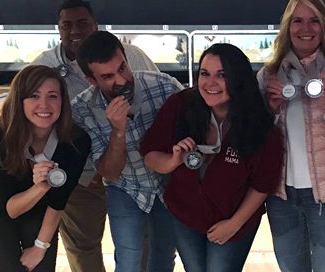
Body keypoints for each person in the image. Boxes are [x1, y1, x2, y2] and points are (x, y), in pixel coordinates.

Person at [30, 1, 159, 271]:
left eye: (82, 23)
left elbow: (159, 105)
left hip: (133, 174)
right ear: (59, 30)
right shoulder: (45, 66)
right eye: (67, 25)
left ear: (95, 24)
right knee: (82, 245)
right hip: (78, 176)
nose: (75, 30)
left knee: (141, 245)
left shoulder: (132, 56)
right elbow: (27, 119)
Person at [140, 43, 284, 272]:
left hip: (233, 221)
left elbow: (262, 184)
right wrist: (173, 161)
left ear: (238, 79)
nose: (210, 83)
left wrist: (234, 224)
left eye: (222, 75)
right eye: (205, 74)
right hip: (186, 216)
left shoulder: (258, 123)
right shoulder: (181, 105)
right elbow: (150, 154)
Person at [257, 0, 325, 271]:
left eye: (314, 20)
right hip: (281, 196)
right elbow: (255, 138)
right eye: (298, 20)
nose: (305, 28)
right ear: (287, 27)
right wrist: (270, 112)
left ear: (324, 27)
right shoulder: (268, 75)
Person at [72, 30, 181, 272]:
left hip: (168, 184)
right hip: (125, 188)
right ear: (92, 80)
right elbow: (109, 173)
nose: (121, 81)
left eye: (122, 68)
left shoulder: (165, 87)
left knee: (163, 256)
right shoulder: (82, 109)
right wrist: (118, 131)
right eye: (108, 76)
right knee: (128, 261)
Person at [0, 65, 91, 272]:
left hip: (40, 212)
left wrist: (40, 248)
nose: (44, 104)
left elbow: (58, 202)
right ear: (19, 101)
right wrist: (41, 187)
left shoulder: (76, 142)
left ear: (62, 101)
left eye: (52, 96)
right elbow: (11, 210)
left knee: (42, 268)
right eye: (34, 96)